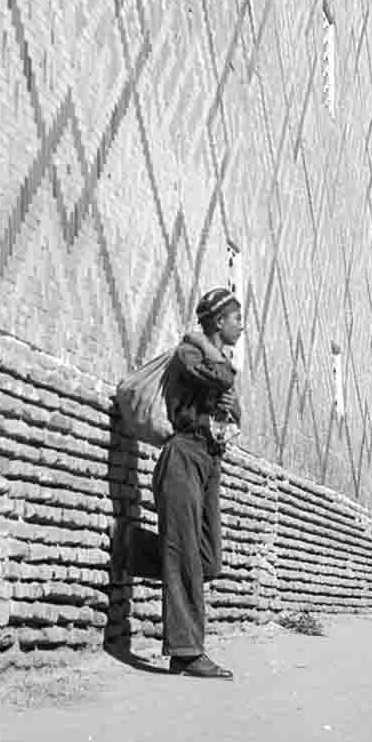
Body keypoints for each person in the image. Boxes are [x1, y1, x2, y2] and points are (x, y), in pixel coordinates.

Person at [112, 288, 243, 679]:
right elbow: (217, 377)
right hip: (182, 456)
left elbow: (236, 411)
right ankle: (186, 652)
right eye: (236, 318)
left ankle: (129, 547)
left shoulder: (218, 359)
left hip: (208, 459)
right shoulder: (190, 351)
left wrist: (229, 401)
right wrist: (225, 382)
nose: (241, 325)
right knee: (184, 552)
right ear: (219, 321)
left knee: (207, 559)